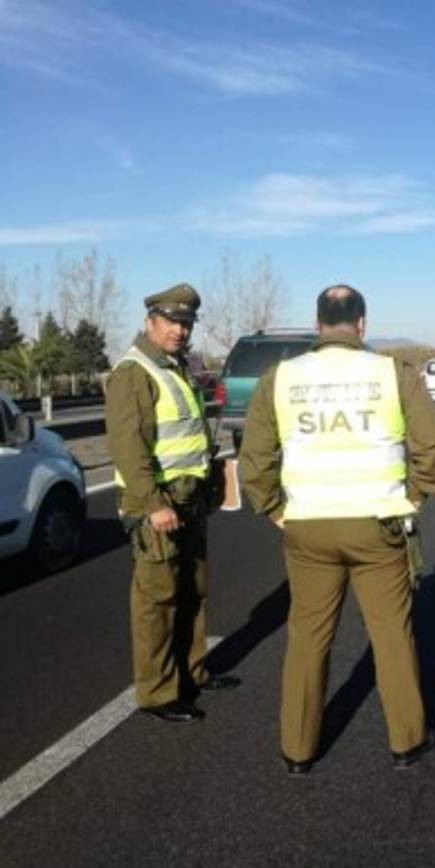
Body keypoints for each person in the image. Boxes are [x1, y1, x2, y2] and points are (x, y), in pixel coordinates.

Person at [240, 284, 435, 776]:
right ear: (362, 324)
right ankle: (406, 741)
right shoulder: (391, 373)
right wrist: (415, 495)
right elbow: (434, 442)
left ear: (317, 325)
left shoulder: (281, 378)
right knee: (391, 634)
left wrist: (274, 508)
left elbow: (254, 457)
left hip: (308, 527)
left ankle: (297, 750)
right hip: (378, 526)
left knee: (308, 636)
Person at [104, 283, 240, 723]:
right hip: (158, 504)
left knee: (192, 589)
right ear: (150, 322)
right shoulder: (135, 372)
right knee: (157, 600)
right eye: (171, 322)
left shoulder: (174, 367)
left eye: (186, 323)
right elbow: (129, 448)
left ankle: (193, 672)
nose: (179, 331)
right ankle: (158, 693)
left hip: (188, 497)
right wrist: (152, 504)